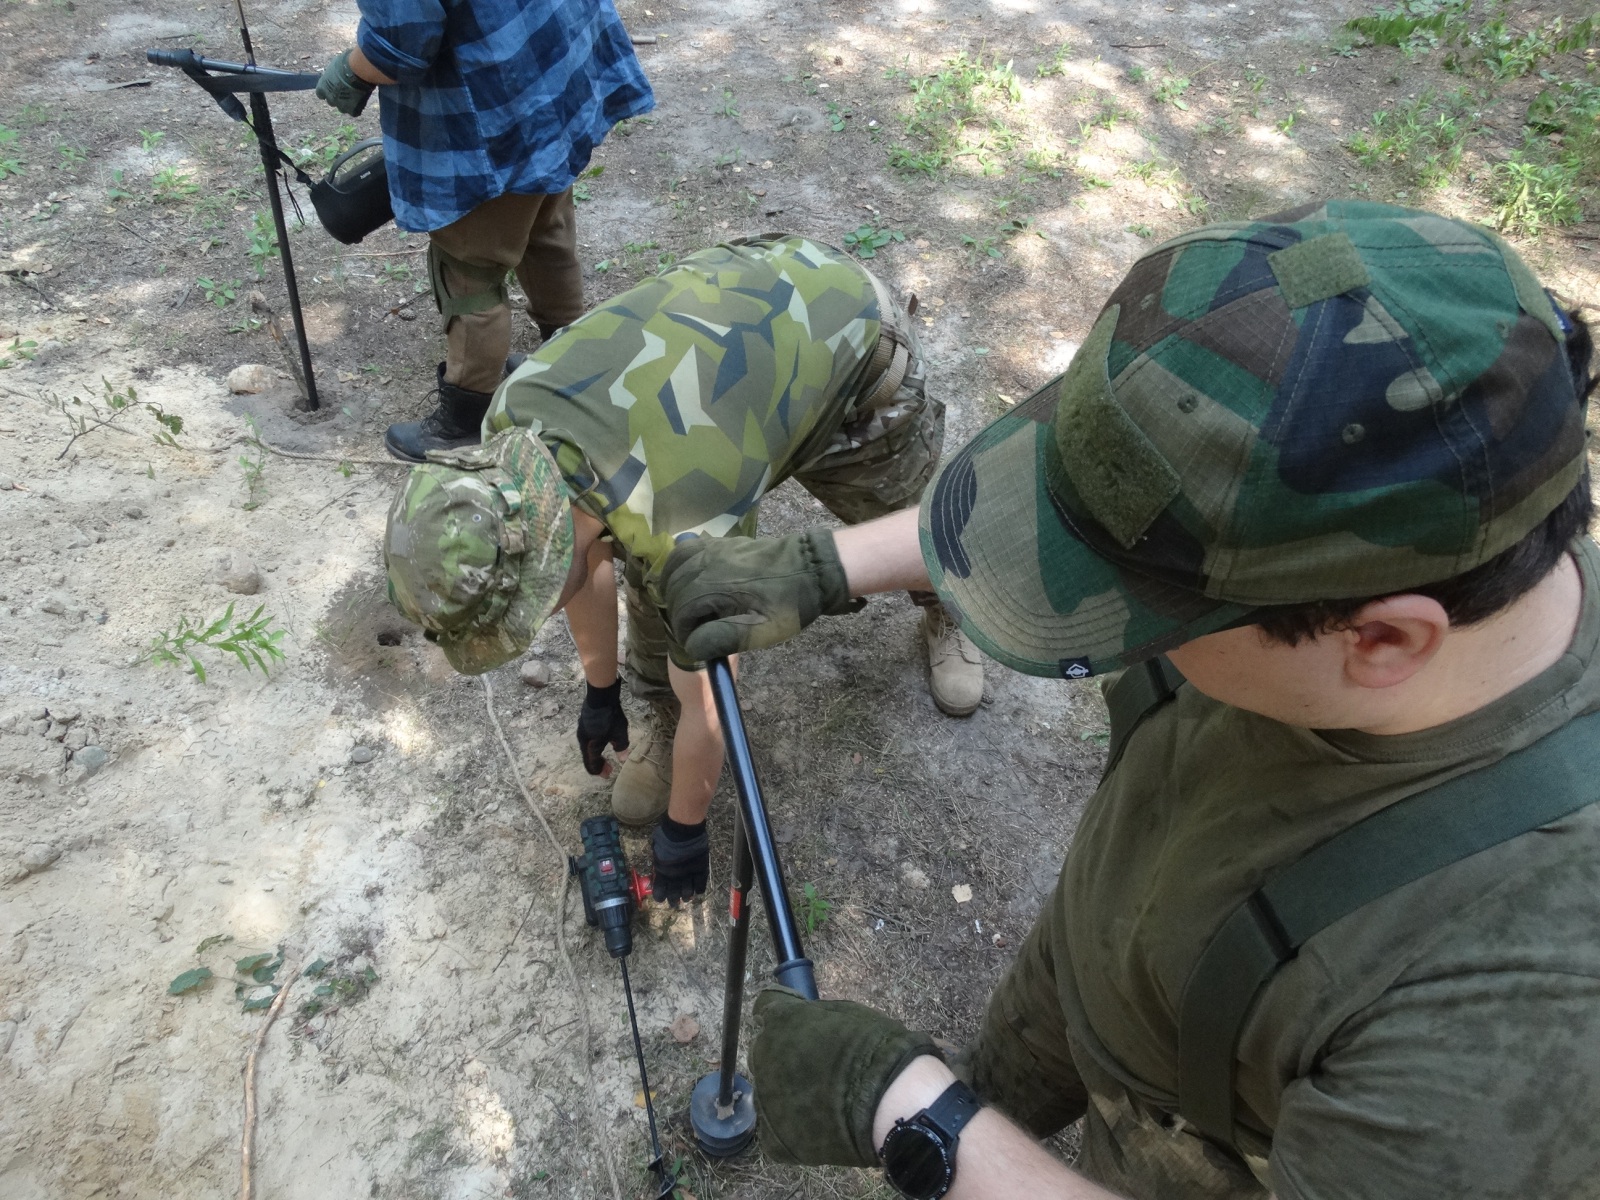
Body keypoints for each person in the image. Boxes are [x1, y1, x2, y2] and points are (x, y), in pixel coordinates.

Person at [659, 202, 1600, 1198]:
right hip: (1100, 963)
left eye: (1141, 611)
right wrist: (826, 565)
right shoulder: (1359, 525)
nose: (1105, 619)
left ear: (1381, 641)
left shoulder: (1521, 1019)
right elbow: (1103, 512)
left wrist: (914, 1119)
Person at [382, 234, 987, 904]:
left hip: (849, 338)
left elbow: (713, 690)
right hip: (733, 360)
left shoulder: (681, 521)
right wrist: (601, 691)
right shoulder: (513, 428)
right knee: (652, 588)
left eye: (525, 608)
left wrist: (685, 827)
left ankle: (947, 610)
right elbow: (585, 558)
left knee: (903, 523)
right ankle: (656, 714)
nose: (532, 617)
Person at [313, 0, 654, 462]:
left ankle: (465, 420)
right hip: (550, 60)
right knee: (544, 223)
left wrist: (353, 70)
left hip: (496, 104)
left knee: (470, 270)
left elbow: (401, 45)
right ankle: (571, 367)